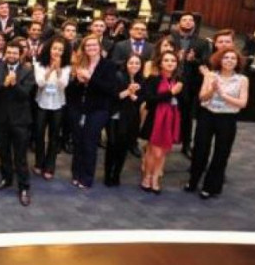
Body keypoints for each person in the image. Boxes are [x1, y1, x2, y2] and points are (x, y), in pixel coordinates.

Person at [186, 48, 249, 199]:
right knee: (200, 148)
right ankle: (193, 181)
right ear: (220, 60)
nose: (229, 61)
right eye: (226, 58)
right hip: (208, 116)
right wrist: (212, 91)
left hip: (227, 119)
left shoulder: (242, 79)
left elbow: (242, 103)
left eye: (233, 58)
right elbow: (202, 97)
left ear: (237, 62)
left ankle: (210, 186)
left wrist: (223, 95)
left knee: (221, 153)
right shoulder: (211, 76)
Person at [67, 35, 117, 189]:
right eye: (87, 46)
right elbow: (71, 91)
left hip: (98, 110)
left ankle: (87, 177)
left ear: (99, 47)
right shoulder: (80, 64)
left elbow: (110, 90)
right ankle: (76, 174)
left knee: (89, 142)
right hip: (78, 108)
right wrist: (78, 82)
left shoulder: (108, 65)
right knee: (78, 141)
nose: (91, 48)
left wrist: (90, 79)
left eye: (94, 45)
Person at [0, 40, 35, 206]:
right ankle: (7, 178)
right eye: (9, 52)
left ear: (20, 54)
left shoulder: (27, 71)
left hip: (21, 120)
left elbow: (26, 94)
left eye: (15, 53)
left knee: (21, 156)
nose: (11, 55)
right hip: (2, 119)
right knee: (3, 152)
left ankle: (24, 187)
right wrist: (4, 84)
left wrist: (14, 84)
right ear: (5, 53)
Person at [139, 51, 183, 194]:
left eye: (173, 61)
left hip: (172, 119)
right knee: (153, 151)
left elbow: (185, 102)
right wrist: (170, 93)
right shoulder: (153, 79)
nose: (170, 63)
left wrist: (177, 94)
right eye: (166, 60)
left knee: (163, 152)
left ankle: (155, 178)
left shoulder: (180, 81)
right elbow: (149, 100)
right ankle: (147, 176)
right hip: (155, 118)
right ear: (160, 63)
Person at [32, 36, 71, 181]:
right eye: (55, 48)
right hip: (42, 103)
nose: (57, 52)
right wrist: (50, 70)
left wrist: (59, 70)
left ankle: (50, 166)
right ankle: (39, 162)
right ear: (49, 49)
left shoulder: (66, 66)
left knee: (54, 136)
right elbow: (40, 83)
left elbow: (63, 85)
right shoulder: (39, 64)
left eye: (60, 49)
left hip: (58, 104)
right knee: (39, 134)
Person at [171, 13, 210, 158]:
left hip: (190, 85)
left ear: (194, 24)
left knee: (187, 116)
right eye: (184, 20)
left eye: (190, 20)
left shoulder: (202, 43)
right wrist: (176, 57)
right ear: (178, 23)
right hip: (170, 81)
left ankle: (186, 145)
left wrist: (193, 60)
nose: (188, 22)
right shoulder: (169, 39)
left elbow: (206, 63)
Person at [104, 54, 144, 187]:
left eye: (137, 63)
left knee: (124, 147)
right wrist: (128, 91)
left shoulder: (141, 79)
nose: (134, 66)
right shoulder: (118, 76)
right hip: (115, 116)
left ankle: (116, 174)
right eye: (131, 63)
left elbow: (141, 100)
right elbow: (114, 96)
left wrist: (133, 95)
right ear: (126, 64)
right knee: (112, 145)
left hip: (131, 117)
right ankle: (107, 174)